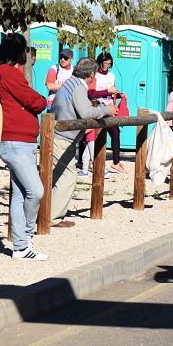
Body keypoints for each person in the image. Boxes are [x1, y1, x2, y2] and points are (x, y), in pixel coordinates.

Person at [0, 31, 49, 261]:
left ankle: (20, 247)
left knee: (19, 194)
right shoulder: (8, 73)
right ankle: (25, 238)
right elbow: (35, 101)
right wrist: (38, 102)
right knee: (36, 191)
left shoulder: (2, 72)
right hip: (16, 142)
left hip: (18, 141)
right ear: (19, 52)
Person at [50, 57, 114, 226]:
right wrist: (107, 109)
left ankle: (47, 213)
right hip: (62, 137)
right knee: (69, 177)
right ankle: (53, 217)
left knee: (57, 176)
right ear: (92, 74)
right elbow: (86, 112)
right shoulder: (78, 87)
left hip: (59, 136)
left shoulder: (71, 82)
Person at [93, 52, 125, 174]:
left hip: (109, 106)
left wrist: (118, 95)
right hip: (98, 105)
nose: (107, 66)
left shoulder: (111, 76)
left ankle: (116, 162)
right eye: (105, 63)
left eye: (109, 64)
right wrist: (107, 91)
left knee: (115, 132)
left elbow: (112, 92)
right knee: (93, 134)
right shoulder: (95, 75)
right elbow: (92, 92)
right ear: (100, 62)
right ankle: (87, 160)